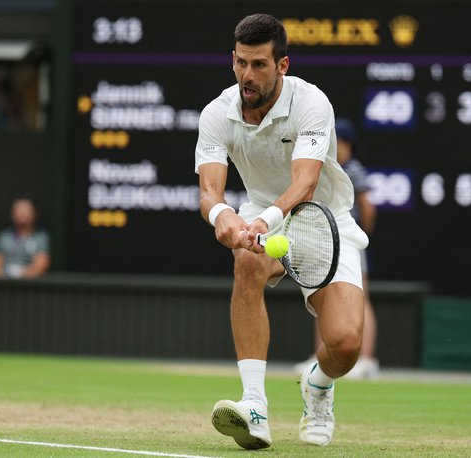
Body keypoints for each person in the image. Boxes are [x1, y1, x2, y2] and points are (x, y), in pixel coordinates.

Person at [195, 14, 368, 449]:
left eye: (258, 65)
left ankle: (319, 385)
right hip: (259, 211)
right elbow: (209, 191)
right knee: (247, 261)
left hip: (323, 218)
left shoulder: (312, 103)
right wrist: (224, 218)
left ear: (283, 65)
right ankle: (254, 405)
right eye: (240, 63)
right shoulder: (217, 113)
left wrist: (262, 221)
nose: (246, 76)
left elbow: (305, 183)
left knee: (345, 346)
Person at [294, 118, 380, 379]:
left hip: (349, 241)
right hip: (323, 240)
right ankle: (320, 355)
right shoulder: (325, 169)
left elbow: (368, 207)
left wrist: (362, 236)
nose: (332, 147)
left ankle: (366, 360)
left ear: (347, 144)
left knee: (359, 298)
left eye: (337, 143)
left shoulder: (352, 169)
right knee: (323, 298)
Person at [0, 197, 50, 278]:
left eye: (25, 210)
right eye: (18, 209)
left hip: (30, 285)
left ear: (35, 213)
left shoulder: (41, 237)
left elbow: (40, 267)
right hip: (5, 285)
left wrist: (17, 274)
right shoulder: (4, 236)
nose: (21, 213)